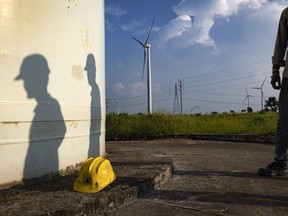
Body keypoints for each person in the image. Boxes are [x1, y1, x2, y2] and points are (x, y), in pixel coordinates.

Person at [258, 7, 288, 176]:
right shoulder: (287, 14)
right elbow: (281, 42)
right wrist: (275, 72)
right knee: (284, 123)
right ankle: (281, 162)